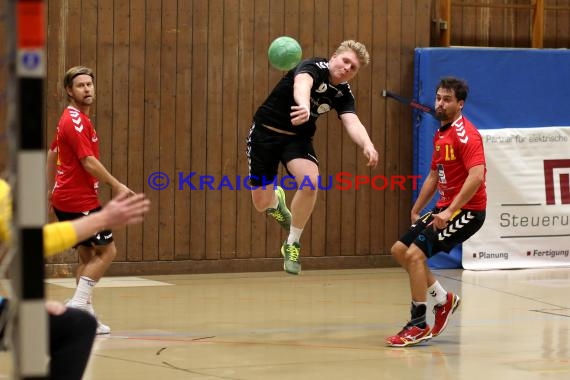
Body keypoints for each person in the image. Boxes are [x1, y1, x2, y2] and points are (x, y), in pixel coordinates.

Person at [247, 40, 379, 275]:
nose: (347, 67)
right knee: (260, 203)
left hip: (297, 139)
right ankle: (276, 203)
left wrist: (367, 144)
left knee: (311, 183)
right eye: (345, 60)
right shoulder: (314, 67)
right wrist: (304, 106)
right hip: (265, 133)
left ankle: (292, 243)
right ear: (333, 57)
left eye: (354, 67)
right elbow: (302, 83)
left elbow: (351, 120)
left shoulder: (343, 93)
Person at [0, 178, 150, 379]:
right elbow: (32, 241)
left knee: (77, 324)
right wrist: (103, 216)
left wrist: (17, 303)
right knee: (78, 325)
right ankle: (80, 302)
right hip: (80, 202)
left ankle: (81, 302)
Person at [385, 77, 487, 347]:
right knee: (399, 250)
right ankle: (444, 300)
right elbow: (434, 174)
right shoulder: (441, 133)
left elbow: (476, 176)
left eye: (447, 99)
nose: (440, 103)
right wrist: (417, 208)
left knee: (416, 256)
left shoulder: (467, 134)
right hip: (443, 208)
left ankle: (418, 324)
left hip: (467, 211)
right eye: (439, 98)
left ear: (460, 104)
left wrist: (450, 210)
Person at [46, 66, 135, 334]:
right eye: (80, 85)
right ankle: (78, 304)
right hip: (78, 201)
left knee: (87, 256)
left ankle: (85, 318)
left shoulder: (75, 119)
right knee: (108, 251)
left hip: (67, 198)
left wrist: (51, 190)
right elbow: (88, 161)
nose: (87, 89)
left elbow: (52, 153)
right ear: (69, 91)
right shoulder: (74, 121)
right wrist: (117, 184)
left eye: (89, 84)